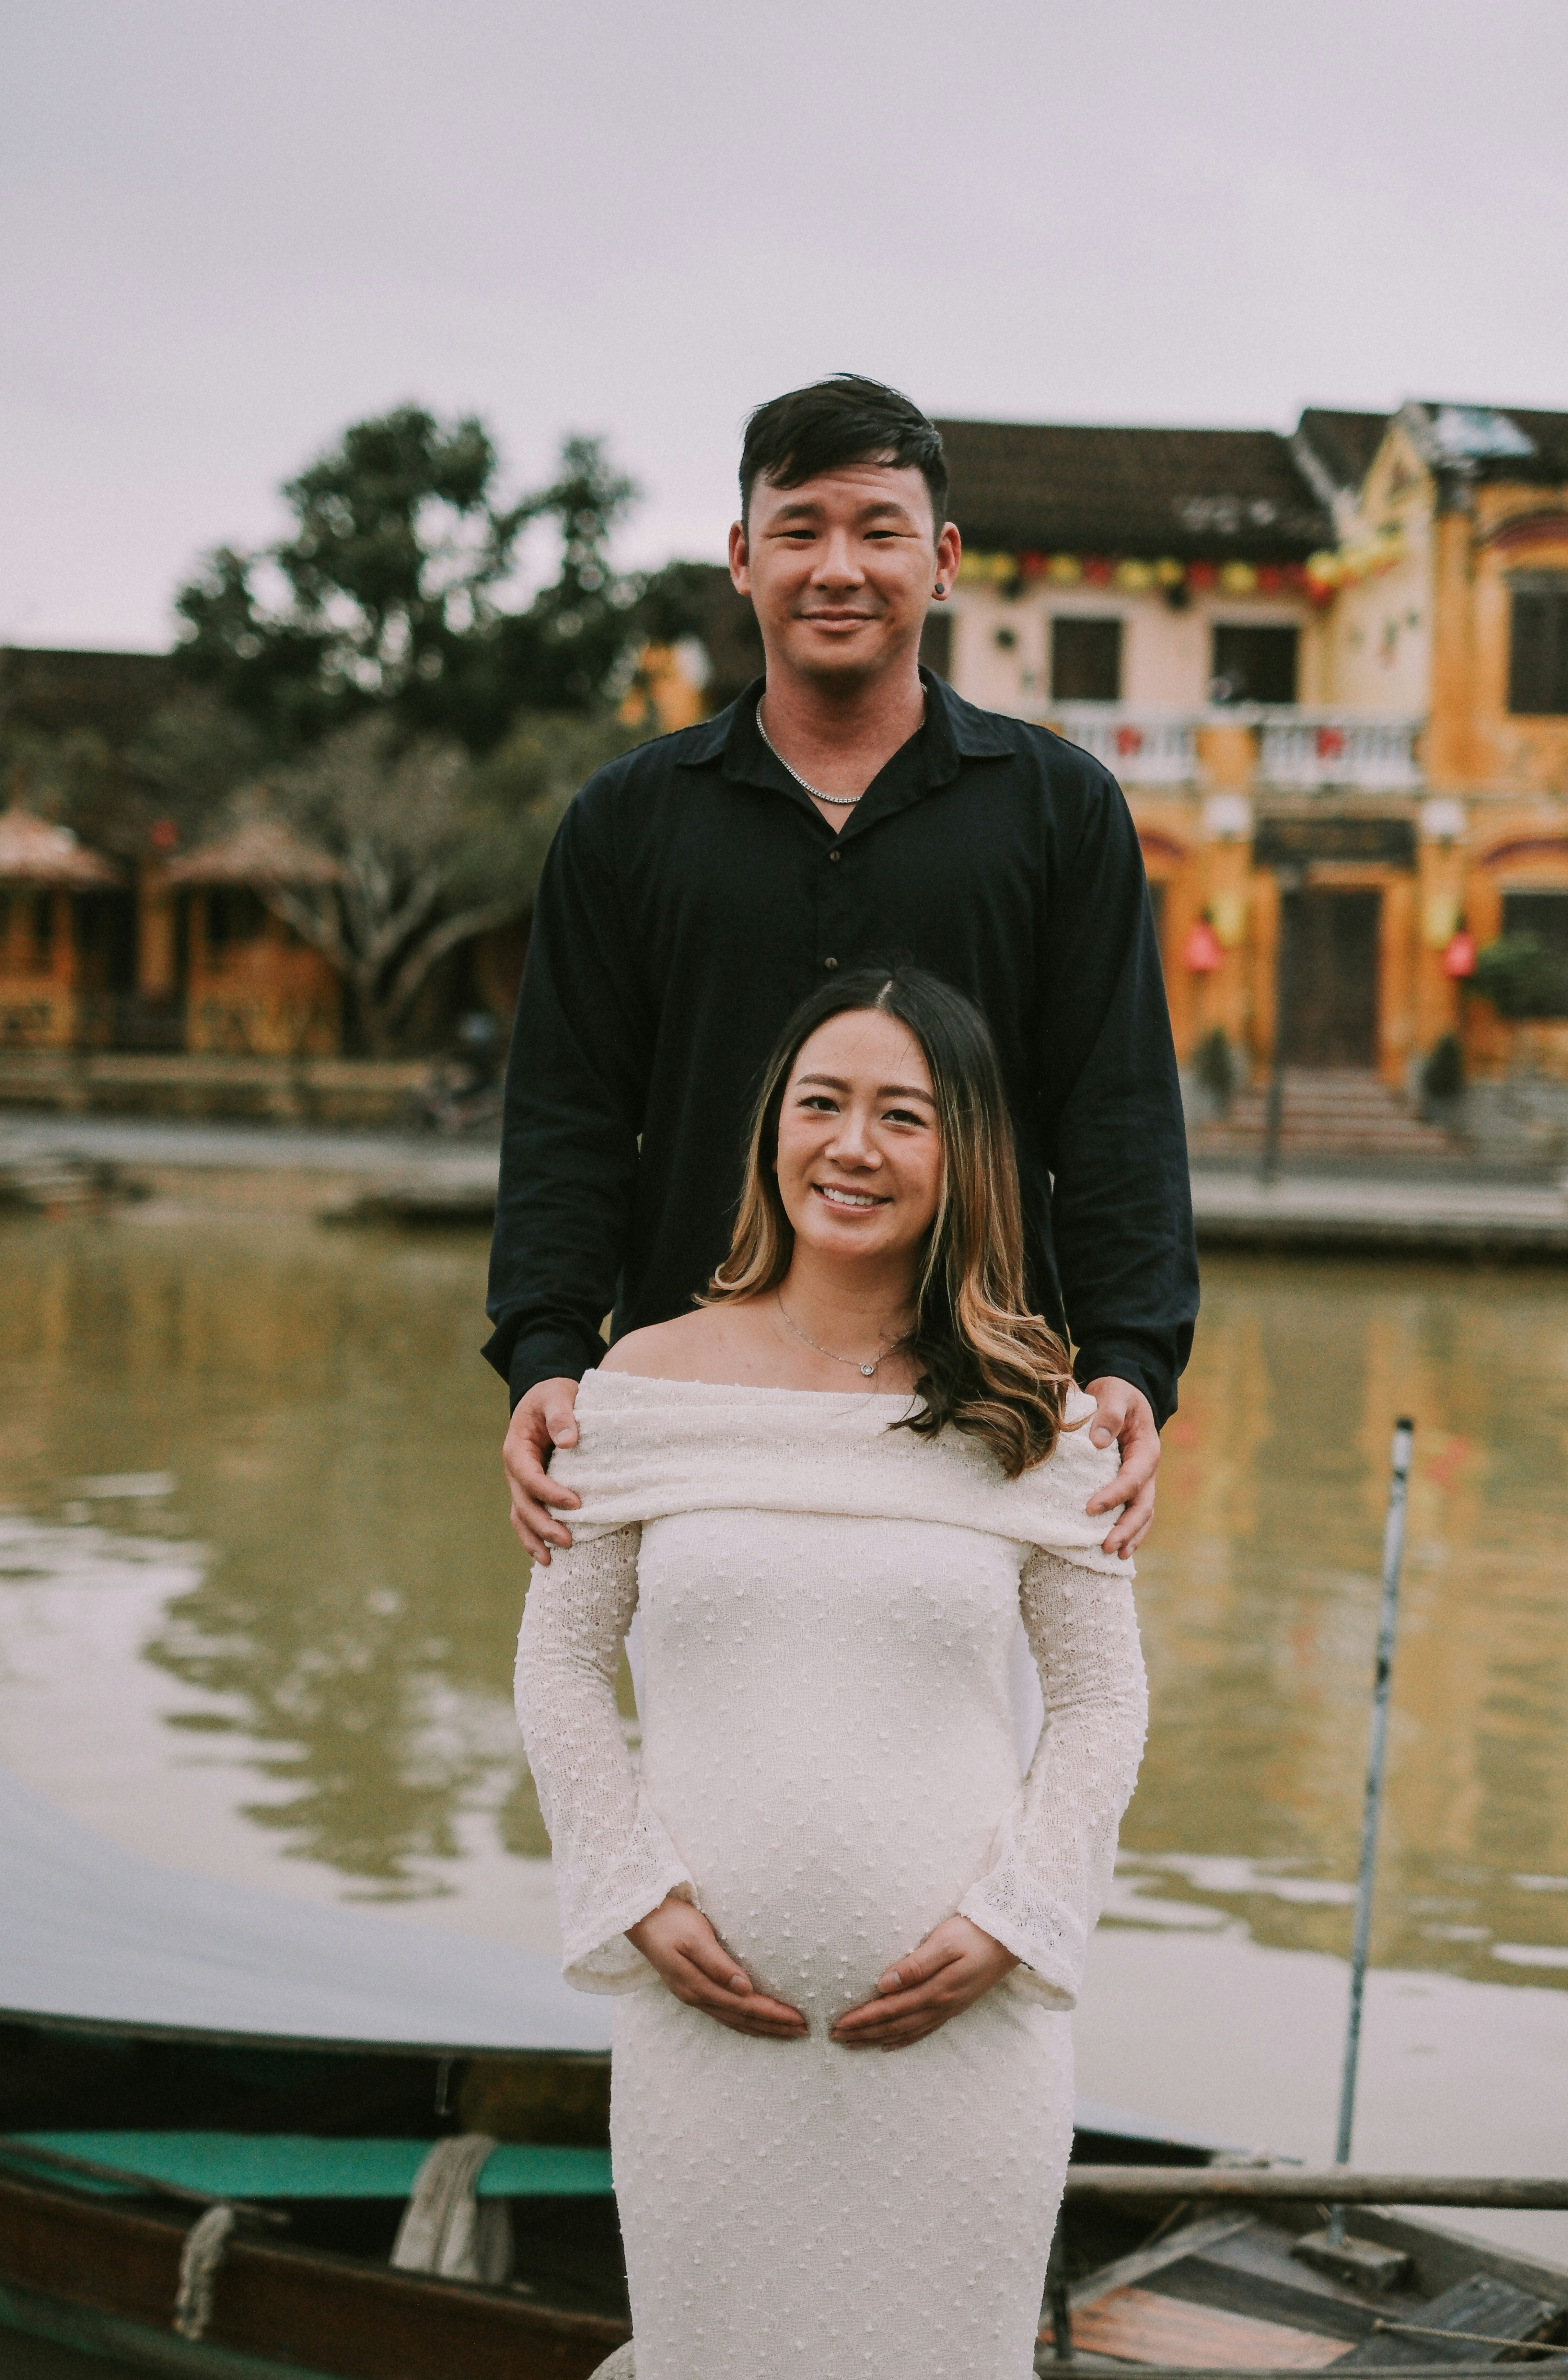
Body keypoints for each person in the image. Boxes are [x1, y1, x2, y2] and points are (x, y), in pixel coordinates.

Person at [514, 968, 1148, 2379]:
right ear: (771, 1132)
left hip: (962, 2051)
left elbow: (1103, 1702)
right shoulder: (644, 1383)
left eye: (901, 1116)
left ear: (964, 1153)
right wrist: (631, 1895)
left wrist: (1016, 1920)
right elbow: (559, 1666)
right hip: (701, 2039)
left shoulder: (1041, 1413)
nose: (851, 1145)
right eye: (821, 1103)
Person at [487, 374, 1196, 1568]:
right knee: (702, 1744)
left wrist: (1132, 1359)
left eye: (879, 531)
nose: (838, 567)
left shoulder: (1060, 812)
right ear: (741, 556)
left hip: (989, 1401)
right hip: (698, 1405)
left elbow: (1116, 1107)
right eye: (800, 529)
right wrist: (547, 1351)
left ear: (944, 559)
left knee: (987, 1746)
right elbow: (571, 1114)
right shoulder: (627, 823)